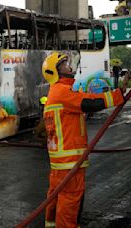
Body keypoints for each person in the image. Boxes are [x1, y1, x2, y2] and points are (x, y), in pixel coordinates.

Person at [42, 52, 125, 228]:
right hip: (69, 161)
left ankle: (51, 225)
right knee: (70, 198)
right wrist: (118, 96)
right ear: (54, 72)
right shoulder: (62, 92)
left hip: (60, 161)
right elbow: (90, 103)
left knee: (56, 195)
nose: (69, 66)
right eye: (64, 64)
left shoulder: (57, 92)